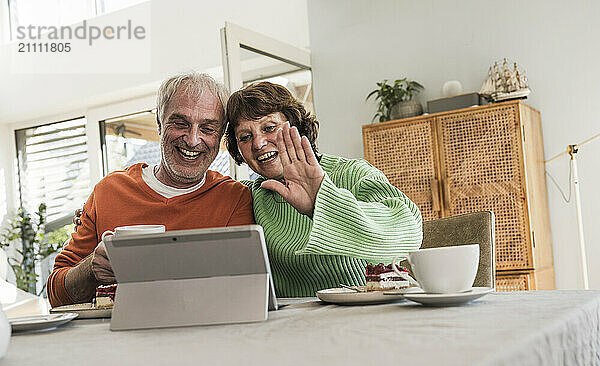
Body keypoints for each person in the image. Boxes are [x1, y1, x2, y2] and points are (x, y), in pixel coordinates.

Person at [48, 72, 254, 307]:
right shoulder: (108, 192)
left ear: (221, 135)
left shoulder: (235, 198)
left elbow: (245, 292)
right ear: (159, 122)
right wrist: (90, 269)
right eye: (180, 124)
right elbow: (56, 295)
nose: (193, 139)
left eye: (208, 128)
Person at [224, 82, 422, 297]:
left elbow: (408, 236)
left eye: (269, 128)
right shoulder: (249, 196)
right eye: (245, 137)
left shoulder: (350, 173)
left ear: (296, 126)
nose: (258, 143)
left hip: (366, 312)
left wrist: (322, 201)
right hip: (292, 323)